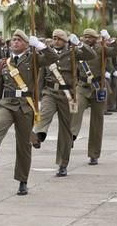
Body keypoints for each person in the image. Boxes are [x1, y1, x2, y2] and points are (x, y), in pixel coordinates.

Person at [0, 30, 57, 195]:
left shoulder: (33, 59)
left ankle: (23, 181)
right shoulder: (3, 63)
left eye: (18, 40)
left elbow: (52, 58)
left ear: (25, 43)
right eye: (13, 40)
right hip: (6, 104)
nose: (14, 42)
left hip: (25, 105)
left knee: (23, 146)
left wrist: (40, 46)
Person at [31, 29, 96, 177]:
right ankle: (38, 136)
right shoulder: (46, 54)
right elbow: (41, 76)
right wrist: (36, 96)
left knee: (65, 131)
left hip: (67, 95)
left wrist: (79, 44)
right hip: (50, 92)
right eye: (54, 38)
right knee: (45, 113)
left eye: (59, 39)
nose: (56, 41)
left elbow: (91, 55)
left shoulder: (73, 53)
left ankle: (62, 163)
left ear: (65, 41)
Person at [70, 28, 117, 165]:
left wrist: (111, 40)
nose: (87, 39)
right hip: (82, 86)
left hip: (98, 87)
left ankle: (94, 154)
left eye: (90, 37)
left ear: (96, 38)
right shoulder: (78, 49)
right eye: (85, 37)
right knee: (76, 109)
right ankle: (72, 135)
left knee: (97, 121)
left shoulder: (102, 48)